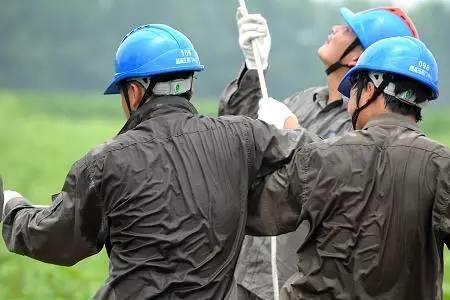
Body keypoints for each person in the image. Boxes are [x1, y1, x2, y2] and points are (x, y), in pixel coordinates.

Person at [0, 24, 317, 300]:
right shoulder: (242, 135)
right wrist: (290, 125)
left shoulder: (104, 164)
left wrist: (12, 208)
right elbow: (321, 159)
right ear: (189, 83)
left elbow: (58, 239)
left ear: (135, 92)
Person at [219, 7, 421, 300]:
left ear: (358, 58)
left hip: (299, 286)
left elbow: (341, 175)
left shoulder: (364, 127)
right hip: (245, 276)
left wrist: (291, 128)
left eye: (349, 31)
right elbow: (234, 139)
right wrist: (254, 68)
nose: (336, 29)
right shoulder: (301, 100)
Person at [250, 36, 446, 300]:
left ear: (369, 89)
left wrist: (271, 141)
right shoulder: (441, 164)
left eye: (352, 88)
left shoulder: (322, 156)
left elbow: (254, 212)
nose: (348, 102)